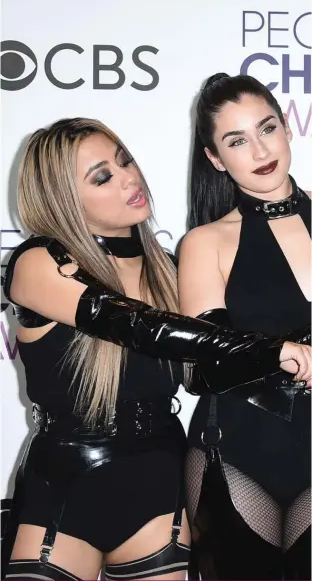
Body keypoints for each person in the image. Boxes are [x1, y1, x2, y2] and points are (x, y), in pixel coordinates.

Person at [2, 117, 310, 581]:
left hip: (159, 485)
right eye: (103, 176)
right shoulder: (39, 262)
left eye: (126, 160)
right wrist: (270, 350)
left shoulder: (168, 268)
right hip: (63, 482)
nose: (130, 178)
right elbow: (137, 326)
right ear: (64, 198)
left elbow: (203, 371)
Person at [179, 73, 311, 580]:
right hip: (237, 449)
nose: (260, 149)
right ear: (215, 158)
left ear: (287, 128)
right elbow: (205, 365)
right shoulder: (205, 242)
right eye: (237, 140)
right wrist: (284, 351)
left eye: (267, 128)